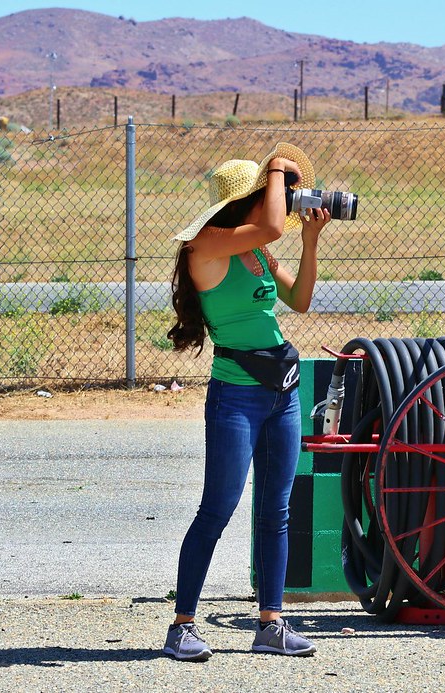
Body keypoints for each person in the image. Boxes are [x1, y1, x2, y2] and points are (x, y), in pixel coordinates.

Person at [162, 143, 330, 661]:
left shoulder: (256, 250)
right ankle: (181, 628)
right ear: (252, 200)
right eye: (273, 192)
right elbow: (272, 225)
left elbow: (299, 300)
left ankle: (270, 625)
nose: (281, 199)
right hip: (235, 396)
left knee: (277, 509)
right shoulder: (206, 246)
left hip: (280, 390)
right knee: (218, 509)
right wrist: (277, 164)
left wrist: (311, 240)